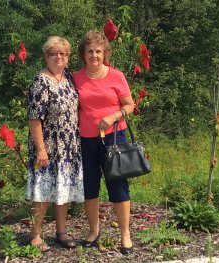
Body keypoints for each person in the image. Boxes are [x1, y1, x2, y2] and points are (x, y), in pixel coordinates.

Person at [73, 30, 135, 255]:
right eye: (89, 51)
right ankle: (93, 230)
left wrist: (112, 117)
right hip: (85, 140)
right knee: (89, 185)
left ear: (105, 53)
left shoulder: (116, 76)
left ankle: (125, 234)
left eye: (98, 51)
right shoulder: (76, 78)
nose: (94, 55)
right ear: (83, 54)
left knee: (117, 185)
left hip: (114, 137)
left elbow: (129, 105)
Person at [25, 36, 84, 250]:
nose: (58, 57)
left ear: (68, 57)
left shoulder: (67, 77)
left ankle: (62, 232)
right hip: (48, 146)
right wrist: (41, 149)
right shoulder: (40, 81)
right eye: (53, 53)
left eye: (63, 53)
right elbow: (34, 118)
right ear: (46, 56)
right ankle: (35, 234)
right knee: (43, 190)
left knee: (63, 189)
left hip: (69, 146)